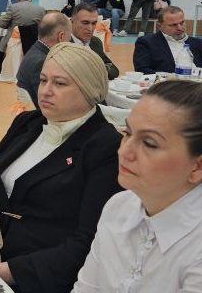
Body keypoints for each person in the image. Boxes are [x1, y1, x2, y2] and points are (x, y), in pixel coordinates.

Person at [0, 42, 122, 292]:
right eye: (43, 80)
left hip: (35, 279)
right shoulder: (27, 123)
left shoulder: (105, 147)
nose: (45, 91)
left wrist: (1, 273)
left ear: (89, 88)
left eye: (60, 83)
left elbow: (87, 243)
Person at [73, 80, 202, 292]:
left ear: (197, 167)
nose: (124, 152)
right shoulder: (118, 207)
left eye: (149, 143)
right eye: (127, 133)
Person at [16, 12, 72, 107]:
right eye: (69, 37)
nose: (69, 41)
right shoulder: (42, 61)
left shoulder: (36, 50)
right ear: (61, 36)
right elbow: (48, 99)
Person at [133, 6, 202, 74]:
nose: (180, 28)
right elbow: (141, 69)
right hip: (164, 81)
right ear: (160, 26)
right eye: (173, 25)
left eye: (182, 23)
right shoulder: (147, 42)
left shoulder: (198, 43)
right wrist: (170, 77)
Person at [0, 0, 45, 71]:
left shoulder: (13, 7)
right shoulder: (41, 9)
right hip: (34, 41)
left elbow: (1, 24)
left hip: (15, 40)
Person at [71, 2, 120, 80]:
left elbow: (113, 70)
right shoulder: (63, 43)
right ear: (72, 22)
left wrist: (93, 70)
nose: (90, 28)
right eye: (85, 23)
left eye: (94, 23)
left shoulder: (95, 42)